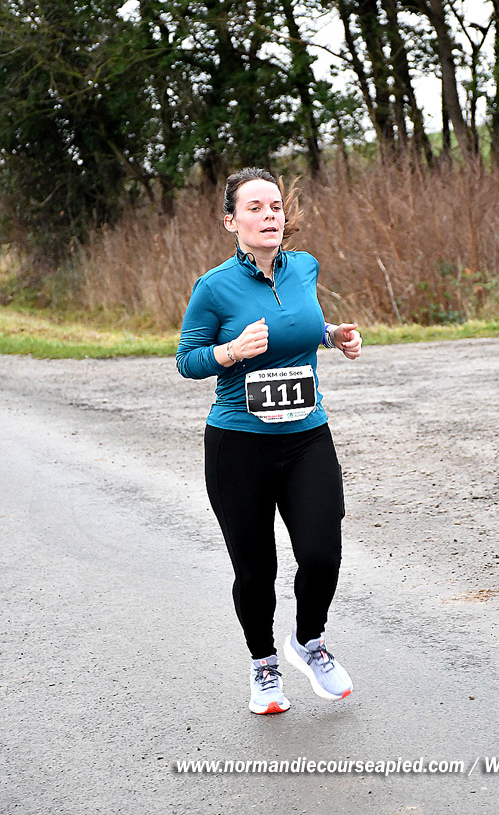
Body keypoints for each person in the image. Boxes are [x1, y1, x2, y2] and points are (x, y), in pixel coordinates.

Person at [176, 167, 362, 714]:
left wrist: (333, 336)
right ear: (230, 221)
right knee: (256, 569)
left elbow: (300, 326)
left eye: (275, 206)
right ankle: (263, 666)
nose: (269, 216)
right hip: (238, 445)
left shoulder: (304, 267)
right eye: (254, 208)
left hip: (307, 437)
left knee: (322, 554)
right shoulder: (213, 287)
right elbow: (187, 360)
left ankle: (309, 642)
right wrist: (230, 352)